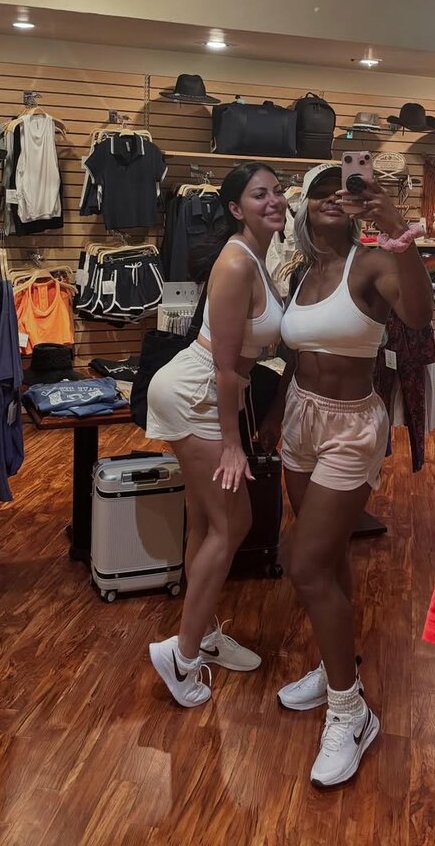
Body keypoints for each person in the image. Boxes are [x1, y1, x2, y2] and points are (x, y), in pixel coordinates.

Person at [260, 161, 434, 788]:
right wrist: (273, 416)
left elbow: (418, 315)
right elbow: (297, 353)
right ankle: (340, 664)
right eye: (321, 191)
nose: (335, 197)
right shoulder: (303, 271)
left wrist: (397, 229)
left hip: (350, 428)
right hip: (300, 420)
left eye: (347, 189)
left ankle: (349, 711)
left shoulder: (373, 263)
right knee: (328, 557)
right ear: (304, 207)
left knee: (303, 564)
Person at [147, 162, 287, 707]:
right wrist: (232, 444)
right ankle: (181, 657)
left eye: (277, 191)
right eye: (259, 194)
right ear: (235, 208)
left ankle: (202, 635)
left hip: (205, 389)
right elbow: (227, 368)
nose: (273, 201)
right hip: (199, 392)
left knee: (207, 522)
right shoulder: (235, 261)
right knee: (234, 524)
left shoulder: (256, 254)